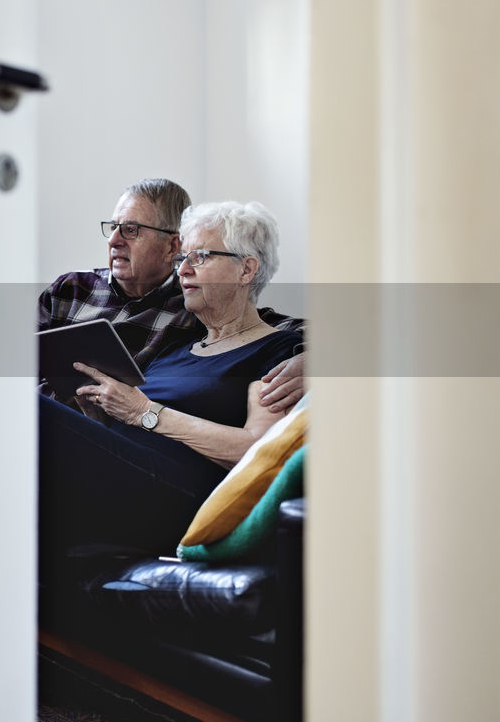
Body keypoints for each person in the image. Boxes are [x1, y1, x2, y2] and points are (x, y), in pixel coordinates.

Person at [39, 199, 304, 570]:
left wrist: (144, 412)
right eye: (183, 260)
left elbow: (256, 449)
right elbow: (126, 432)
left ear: (246, 269)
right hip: (120, 478)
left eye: (201, 258)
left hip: (177, 496)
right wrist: (97, 414)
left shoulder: (278, 351)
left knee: (28, 412)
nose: (184, 271)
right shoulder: (178, 346)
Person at [38, 178, 306, 414]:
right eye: (113, 228)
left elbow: (263, 329)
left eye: (131, 230)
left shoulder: (194, 302)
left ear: (171, 245)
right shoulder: (71, 288)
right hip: (32, 419)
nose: (114, 241)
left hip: (97, 436)